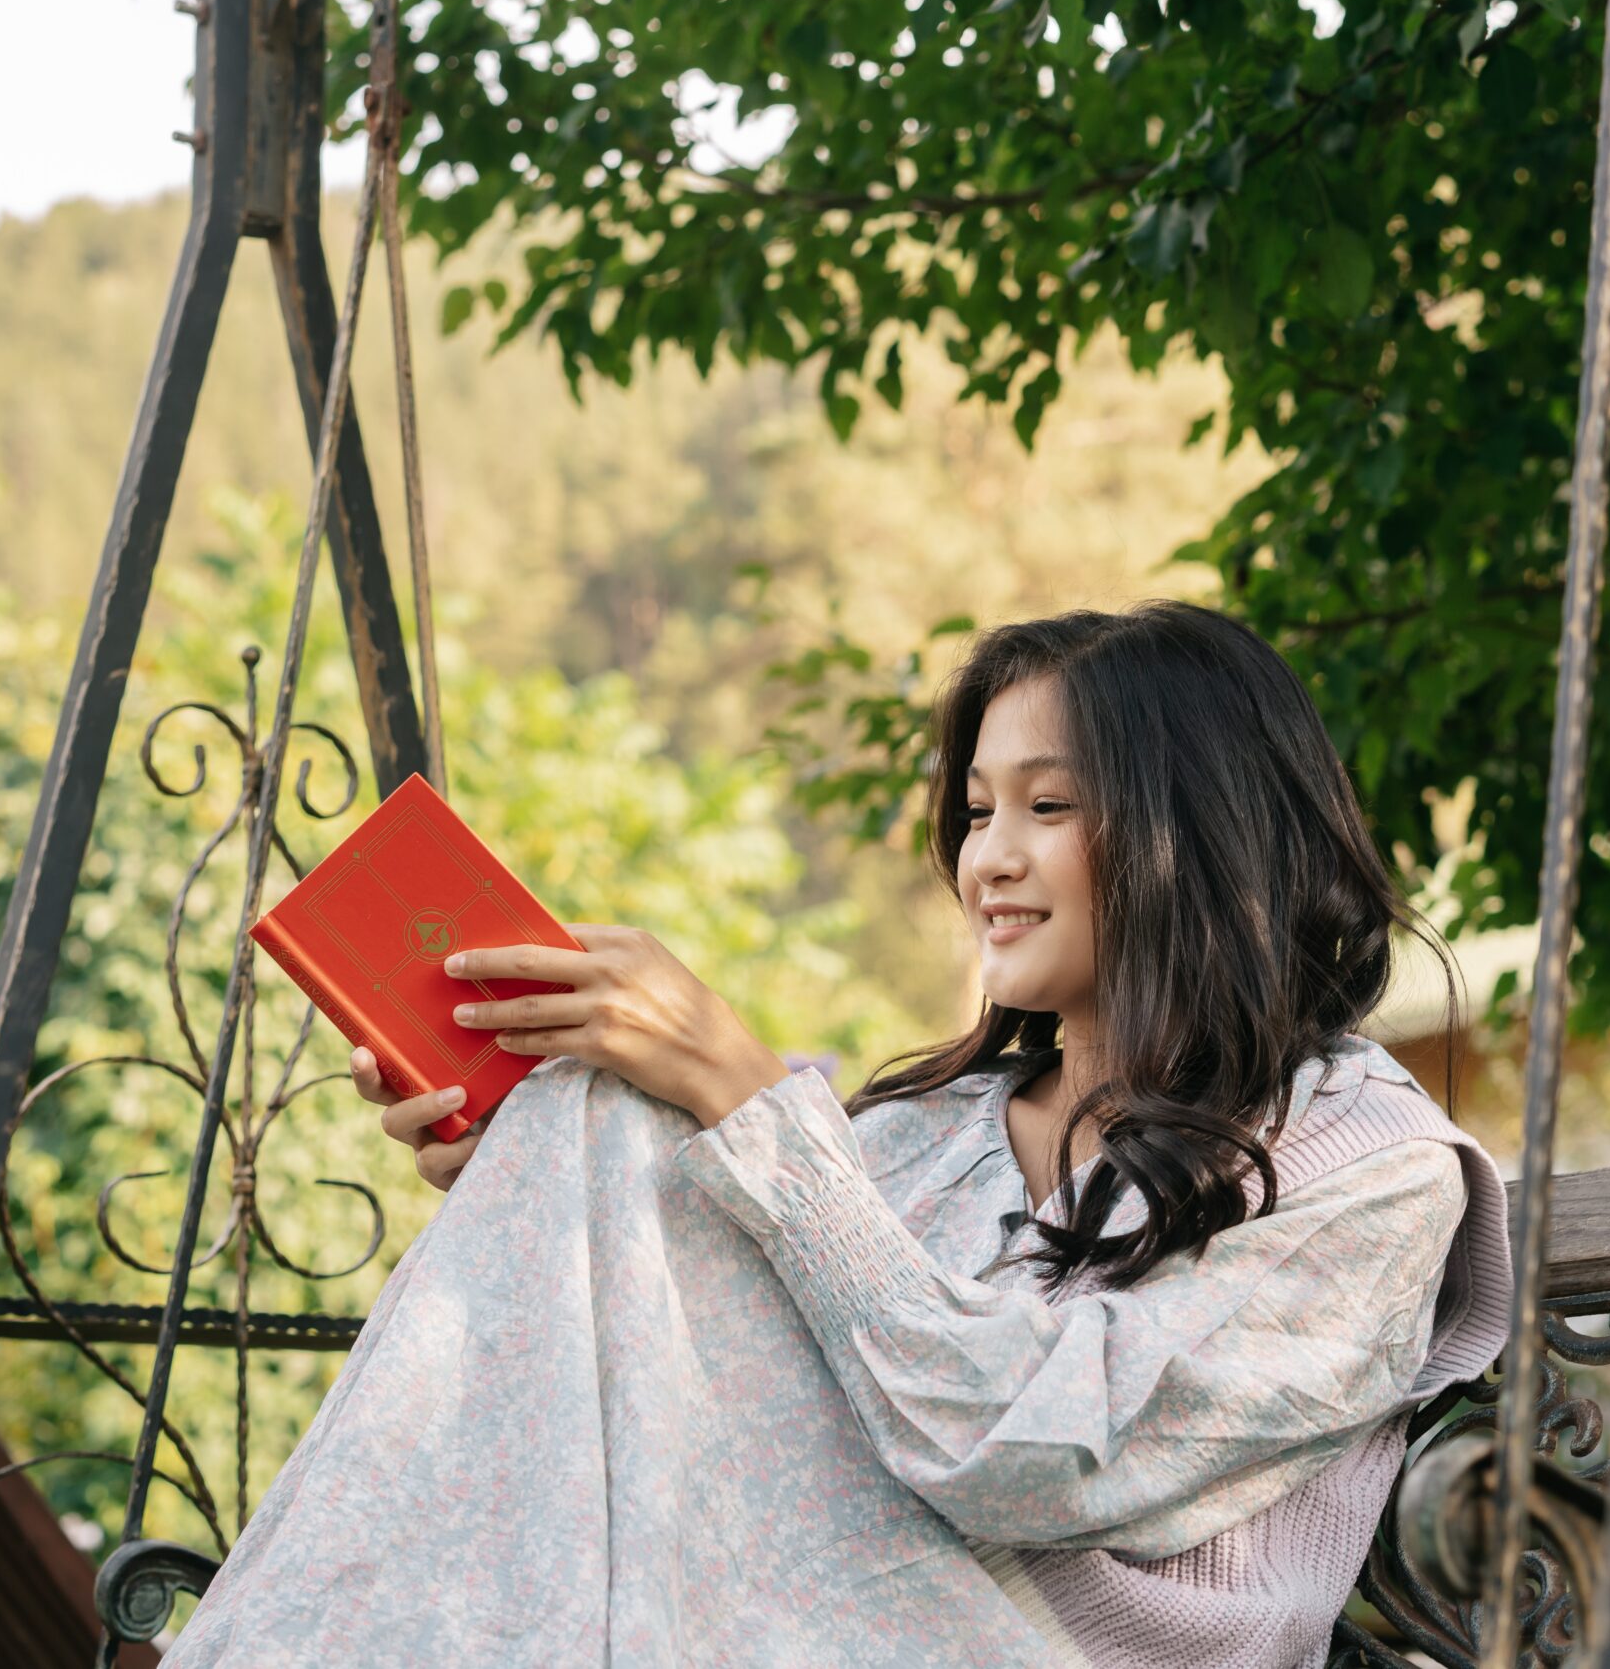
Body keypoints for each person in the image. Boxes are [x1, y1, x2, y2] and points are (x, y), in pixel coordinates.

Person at [162, 602, 1510, 1667]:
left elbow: (1033, 1455)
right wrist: (546, 1171)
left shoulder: (1367, 1170)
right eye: (978, 810)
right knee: (594, 1108)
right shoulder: (932, 1136)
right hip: (813, 1617)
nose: (988, 859)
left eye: (1048, 808)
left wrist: (746, 1102)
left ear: (1205, 834)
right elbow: (747, 1322)